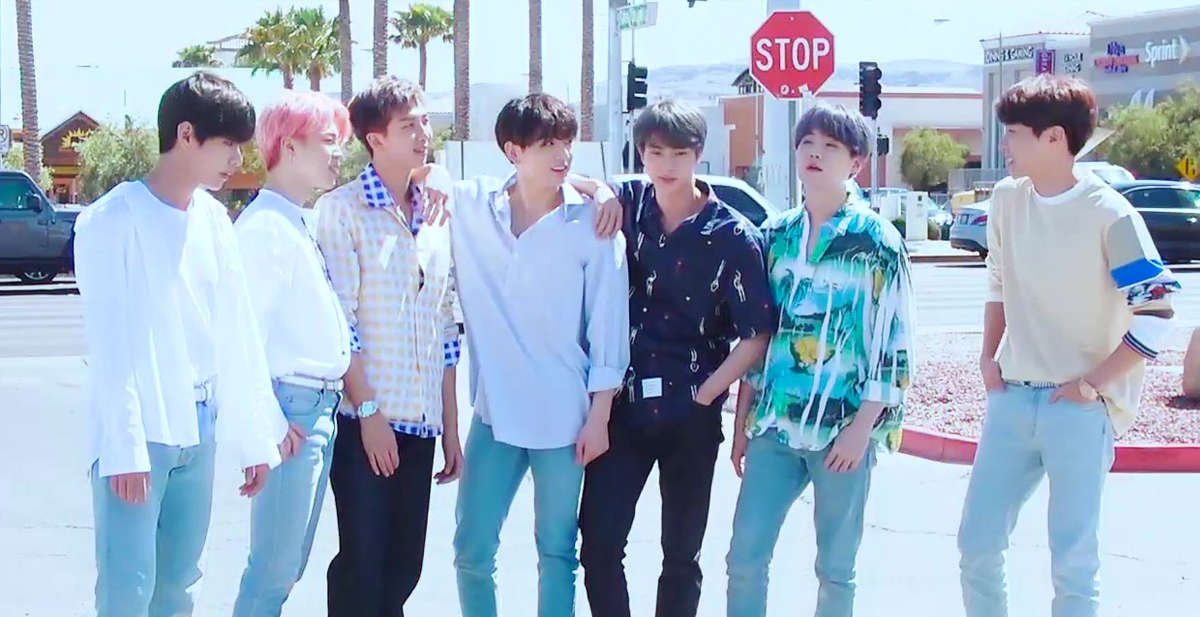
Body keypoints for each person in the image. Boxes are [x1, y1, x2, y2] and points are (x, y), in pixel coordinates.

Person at [957, 74, 1179, 617]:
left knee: (1073, 565)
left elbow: (1157, 314)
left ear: (1054, 137)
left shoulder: (1111, 214)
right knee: (976, 546)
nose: (1004, 145)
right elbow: (998, 283)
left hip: (1079, 409)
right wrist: (988, 358)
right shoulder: (1007, 199)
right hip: (1011, 400)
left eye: (1014, 133)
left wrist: (1092, 385)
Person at [74, 71, 289, 617]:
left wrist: (255, 437)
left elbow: (237, 332)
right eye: (228, 144)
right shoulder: (112, 219)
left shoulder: (214, 220)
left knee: (179, 586)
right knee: (128, 587)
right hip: (141, 428)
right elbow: (110, 343)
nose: (237, 160)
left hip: (200, 424)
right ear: (186, 134)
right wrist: (124, 447)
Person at [578, 99, 773, 617]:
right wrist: (600, 190)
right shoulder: (630, 201)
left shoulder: (732, 235)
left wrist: (707, 393)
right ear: (641, 153)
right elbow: (562, 180)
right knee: (598, 544)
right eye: (655, 152)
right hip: (623, 406)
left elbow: (756, 333)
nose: (666, 164)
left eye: (679, 153)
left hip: (691, 412)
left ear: (699, 154)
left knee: (682, 556)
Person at [725, 102, 915, 617]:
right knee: (744, 557)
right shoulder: (776, 235)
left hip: (842, 431)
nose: (815, 153)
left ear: (856, 162)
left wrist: (861, 430)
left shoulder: (877, 242)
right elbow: (760, 336)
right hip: (775, 426)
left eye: (831, 146)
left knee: (836, 570)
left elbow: (894, 344)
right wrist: (743, 422)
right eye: (807, 143)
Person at [448, 93, 630, 617]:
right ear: (513, 151)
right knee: (471, 550)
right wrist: (598, 184)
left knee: (556, 553)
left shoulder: (594, 226)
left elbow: (608, 330)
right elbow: (423, 176)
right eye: (548, 143)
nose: (563, 154)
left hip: (564, 418)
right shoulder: (473, 206)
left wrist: (599, 417)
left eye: (567, 142)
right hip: (495, 414)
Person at [314, 76, 462, 617]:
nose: (423, 134)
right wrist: (368, 411)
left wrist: (450, 428)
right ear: (375, 139)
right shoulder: (343, 209)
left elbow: (446, 326)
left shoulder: (437, 214)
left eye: (423, 121)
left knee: (404, 569)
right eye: (407, 126)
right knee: (363, 569)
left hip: (421, 425)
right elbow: (342, 322)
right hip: (366, 424)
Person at [231, 92, 355, 617]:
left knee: (286, 567)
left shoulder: (295, 220)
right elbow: (242, 339)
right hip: (293, 410)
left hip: (316, 408)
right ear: (288, 146)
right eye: (328, 141)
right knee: (273, 571)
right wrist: (269, 423)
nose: (338, 154)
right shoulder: (265, 228)